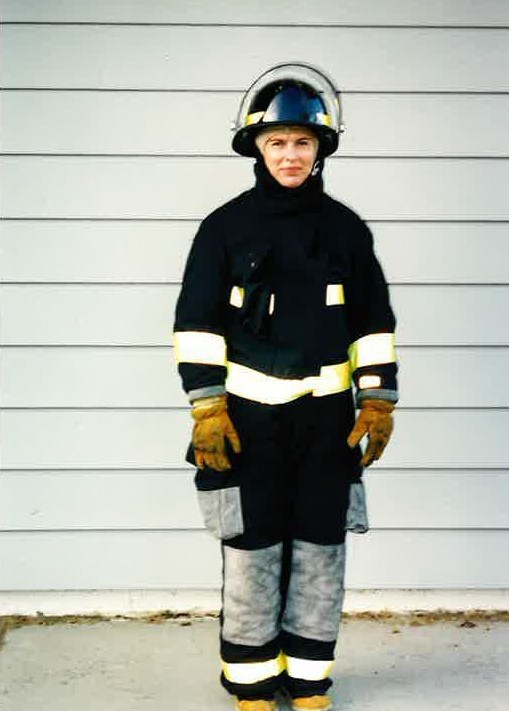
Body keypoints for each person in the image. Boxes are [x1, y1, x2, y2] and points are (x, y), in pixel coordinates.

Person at [173, 63, 398, 711]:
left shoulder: (346, 230)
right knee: (251, 549)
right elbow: (195, 324)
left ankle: (307, 680)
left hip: (327, 422)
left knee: (321, 551)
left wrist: (377, 398)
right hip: (244, 422)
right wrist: (206, 405)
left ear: (321, 148)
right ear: (256, 147)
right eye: (278, 142)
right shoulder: (222, 229)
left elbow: (372, 322)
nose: (290, 154)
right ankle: (248, 681)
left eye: (303, 142)